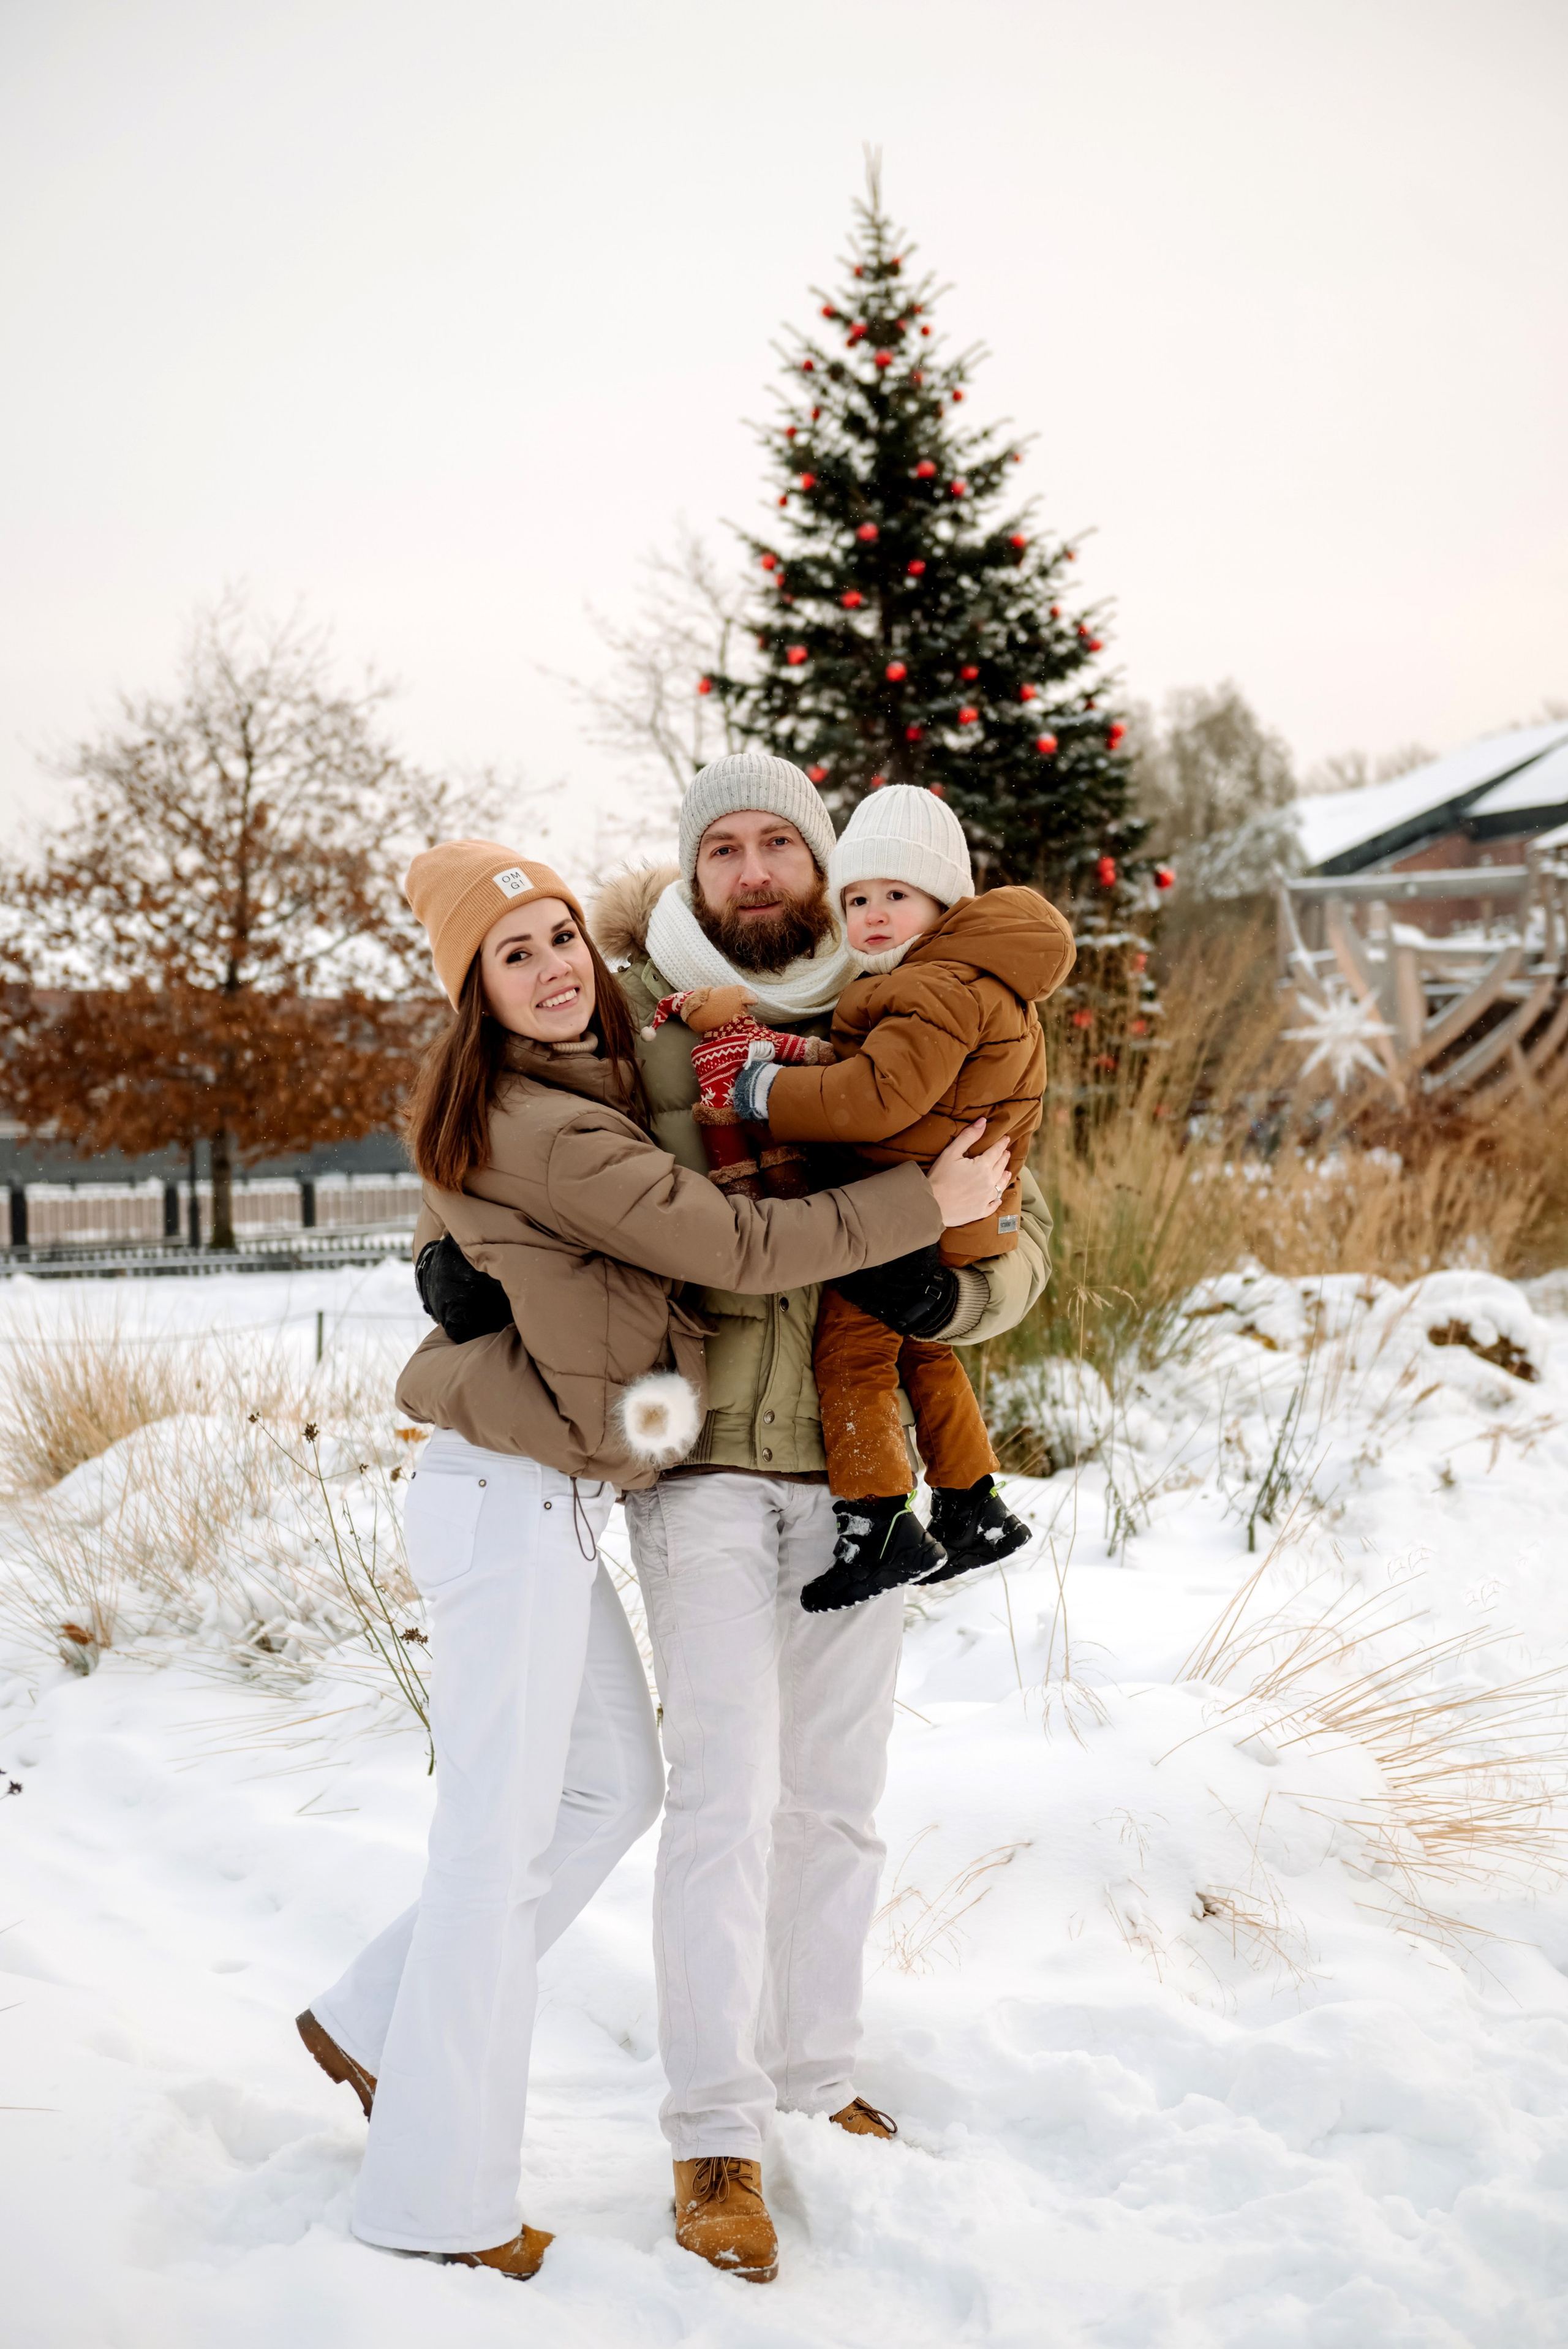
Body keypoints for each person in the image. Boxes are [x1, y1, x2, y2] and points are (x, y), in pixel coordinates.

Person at [293, 838, 1007, 2285]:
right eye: (517, 952)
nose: (556, 965)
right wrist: (907, 1208)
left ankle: (377, 2016)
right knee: (511, 1840)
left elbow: (1006, 1207)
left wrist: (962, 1259)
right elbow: (712, 1236)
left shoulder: (876, 1010)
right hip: (535, 1490)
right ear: (474, 995)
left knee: (608, 1788)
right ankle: (440, 2193)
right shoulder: (569, 1089)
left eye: (562, 934)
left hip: (579, 1493)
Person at [710, 783, 1077, 1610]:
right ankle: (972, 1501)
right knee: (925, 1353)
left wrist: (764, 1090)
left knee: (853, 1357)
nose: (873, 914)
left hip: (917, 1216)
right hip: (957, 1215)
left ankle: (877, 1521)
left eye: (896, 896)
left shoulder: (930, 984)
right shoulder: (969, 979)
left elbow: (878, 1097)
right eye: (859, 898)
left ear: (944, 903)